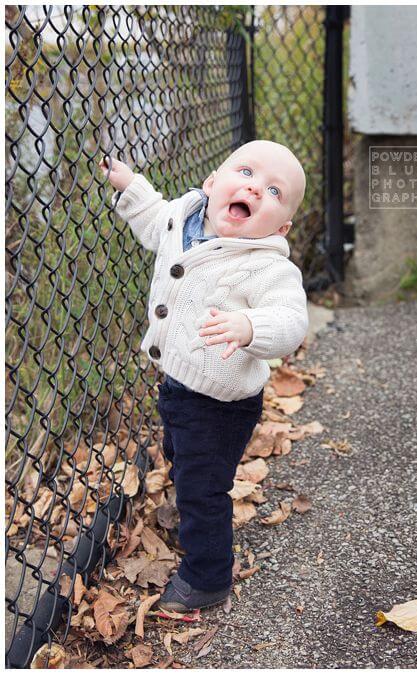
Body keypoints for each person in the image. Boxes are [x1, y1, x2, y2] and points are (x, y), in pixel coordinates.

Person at [100, 140, 309, 611]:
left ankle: (207, 576)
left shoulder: (267, 266)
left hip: (222, 403)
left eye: (274, 191)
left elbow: (292, 320)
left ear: (282, 225)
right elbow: (153, 219)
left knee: (204, 486)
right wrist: (130, 185)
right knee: (178, 452)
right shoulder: (184, 216)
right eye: (247, 173)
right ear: (213, 183)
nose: (255, 188)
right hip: (177, 381)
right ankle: (189, 504)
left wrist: (251, 326)